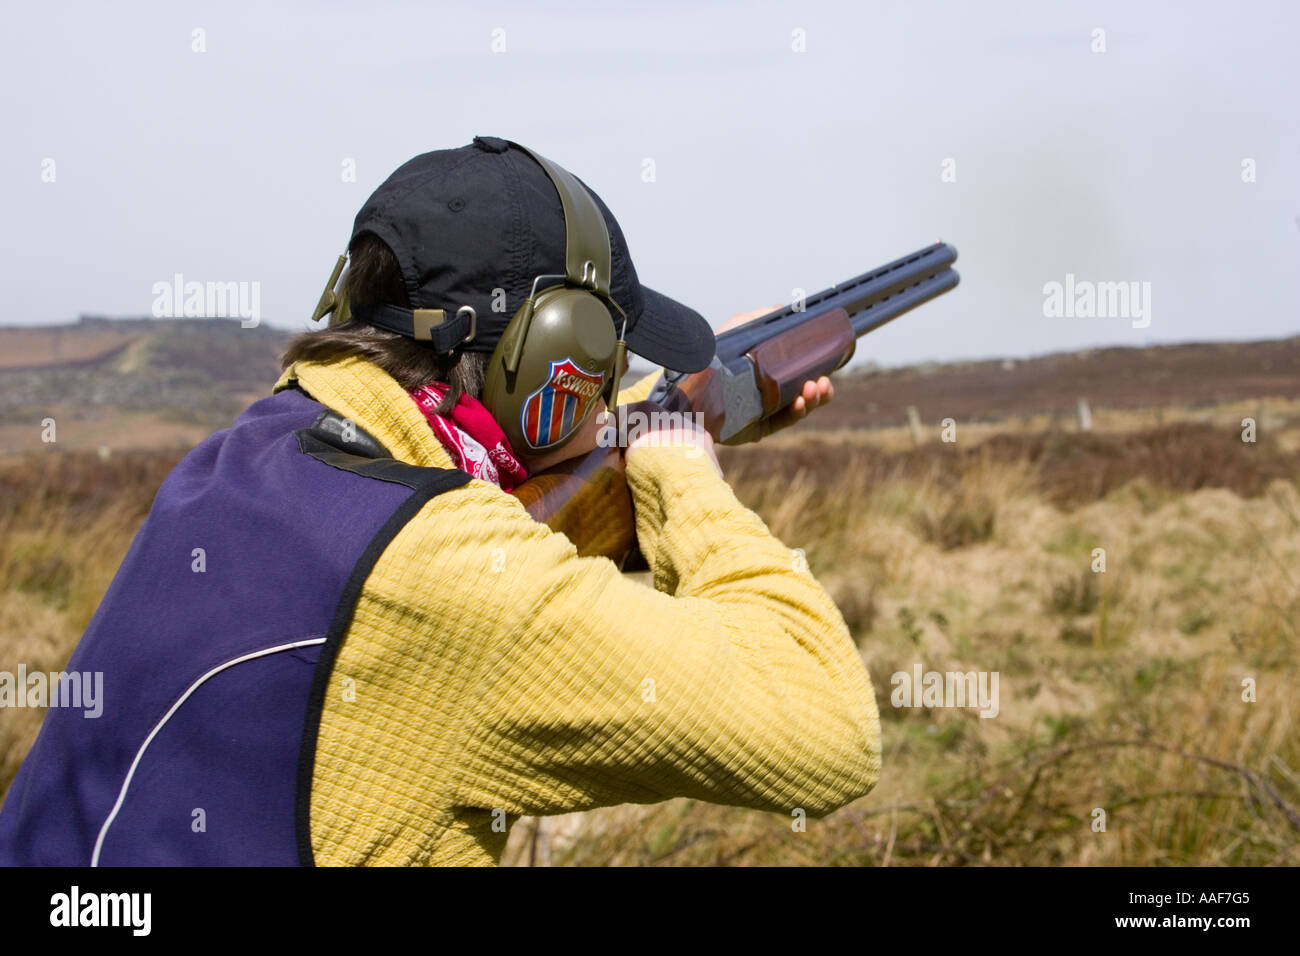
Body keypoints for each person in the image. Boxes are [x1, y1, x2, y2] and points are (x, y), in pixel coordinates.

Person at [0, 136, 880, 866]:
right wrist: (679, 463)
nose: (610, 394)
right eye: (602, 367)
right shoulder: (445, 575)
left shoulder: (241, 460)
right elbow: (825, 727)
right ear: (552, 365)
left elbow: (487, 519)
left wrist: (660, 429)